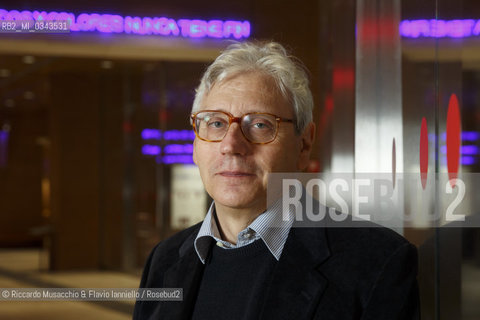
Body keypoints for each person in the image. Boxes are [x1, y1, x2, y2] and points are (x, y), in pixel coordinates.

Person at [133, 41, 420, 320]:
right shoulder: (165, 259)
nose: (231, 145)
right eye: (216, 123)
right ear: (196, 144)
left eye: (259, 125)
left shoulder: (377, 261)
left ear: (304, 144)